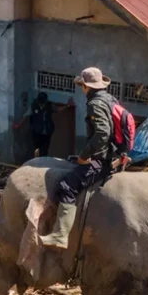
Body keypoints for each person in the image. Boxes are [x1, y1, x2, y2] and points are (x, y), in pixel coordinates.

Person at [40, 67, 121, 249]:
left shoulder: (95, 103)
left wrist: (85, 156)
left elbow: (102, 133)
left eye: (81, 86)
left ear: (86, 86)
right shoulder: (111, 100)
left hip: (101, 160)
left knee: (66, 186)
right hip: (112, 155)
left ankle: (60, 236)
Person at [14, 92, 74, 157]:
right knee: (34, 149)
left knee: (44, 150)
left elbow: (57, 109)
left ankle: (43, 162)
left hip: (47, 133)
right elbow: (26, 116)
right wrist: (18, 125)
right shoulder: (34, 105)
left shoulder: (49, 105)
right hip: (37, 132)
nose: (41, 104)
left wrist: (67, 105)